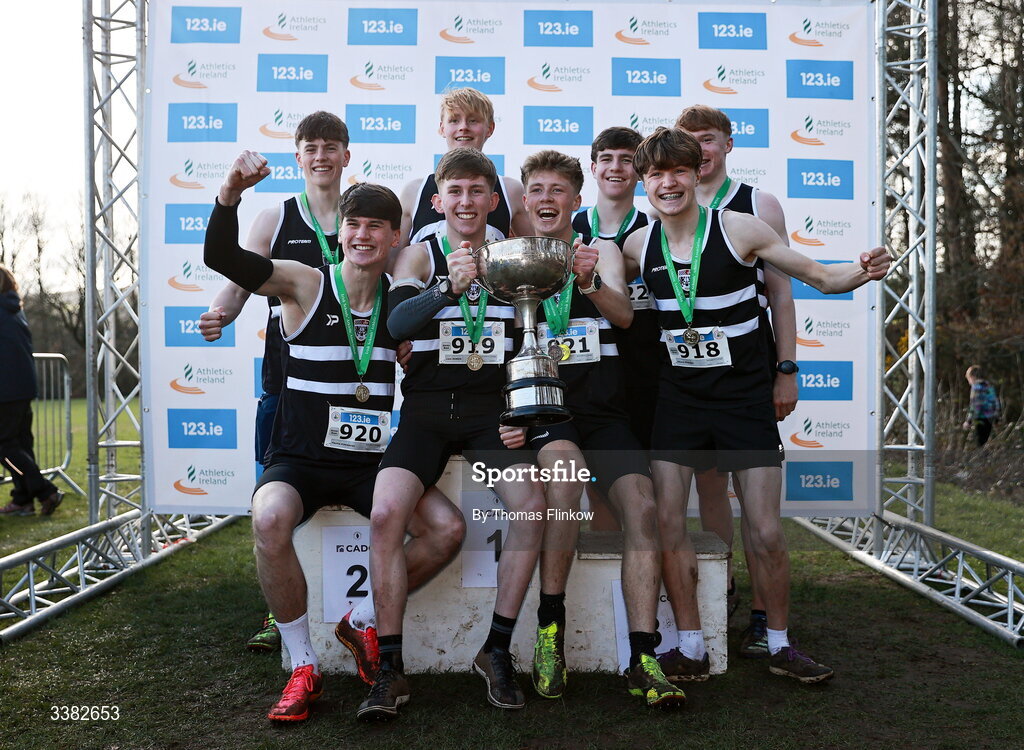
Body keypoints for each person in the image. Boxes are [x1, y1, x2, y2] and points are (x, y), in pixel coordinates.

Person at [623, 127, 890, 684]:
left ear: (698, 173)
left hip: (743, 399)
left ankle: (779, 644)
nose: (668, 183)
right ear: (644, 182)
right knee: (671, 523)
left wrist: (861, 270)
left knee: (765, 530)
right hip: (678, 400)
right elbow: (605, 303)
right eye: (656, 174)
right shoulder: (634, 245)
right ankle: (692, 646)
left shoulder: (739, 227)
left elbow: (820, 276)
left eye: (678, 171)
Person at [203, 163, 465, 723]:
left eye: (377, 226)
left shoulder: (403, 299)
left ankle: (363, 618)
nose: (364, 236)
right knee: (269, 520)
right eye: (355, 225)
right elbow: (226, 261)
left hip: (370, 464)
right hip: (298, 460)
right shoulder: (304, 281)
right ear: (339, 232)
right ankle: (303, 665)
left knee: (447, 530)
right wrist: (228, 196)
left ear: (397, 238)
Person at [362, 147, 544, 718]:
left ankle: (495, 650)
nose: (466, 203)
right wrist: (445, 288)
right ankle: (390, 669)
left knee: (533, 507)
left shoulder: (514, 255)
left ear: (495, 201)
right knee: (387, 512)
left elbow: (526, 344)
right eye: (455, 193)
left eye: (477, 192)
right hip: (427, 413)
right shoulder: (418, 254)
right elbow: (395, 325)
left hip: (491, 411)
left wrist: (521, 416)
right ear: (438, 201)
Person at [522, 150, 686, 707]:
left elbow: (623, 316)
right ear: (526, 200)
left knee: (642, 508)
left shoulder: (604, 250)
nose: (547, 199)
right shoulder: (516, 258)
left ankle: (643, 655)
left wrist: (588, 279)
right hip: (549, 414)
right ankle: (550, 632)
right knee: (565, 485)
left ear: (576, 198)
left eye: (558, 190)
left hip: (607, 414)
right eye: (537, 190)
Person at [199, 111, 350, 653]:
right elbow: (239, 281)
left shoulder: (366, 218)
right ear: (298, 157)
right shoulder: (275, 218)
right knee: (273, 498)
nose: (321, 156)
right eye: (310, 147)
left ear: (346, 157)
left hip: (347, 388)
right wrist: (221, 312)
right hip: (283, 388)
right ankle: (277, 613)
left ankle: (354, 612)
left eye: (331, 146)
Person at [675, 104, 799, 658]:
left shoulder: (758, 204)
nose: (699, 150)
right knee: (706, 490)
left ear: (727, 144)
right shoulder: (665, 207)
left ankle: (763, 620)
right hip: (687, 382)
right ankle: (721, 591)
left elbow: (783, 295)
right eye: (689, 142)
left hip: (747, 378)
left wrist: (786, 370)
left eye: (707, 139)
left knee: (760, 513)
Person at [570, 126, 653, 533]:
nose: (615, 168)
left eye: (626, 159)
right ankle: (608, 589)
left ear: (638, 170)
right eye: (606, 159)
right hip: (588, 371)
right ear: (593, 167)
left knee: (641, 486)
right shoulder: (567, 228)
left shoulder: (653, 228)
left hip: (641, 367)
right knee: (599, 490)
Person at [399, 87, 532, 247]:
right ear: (442, 128)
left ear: (490, 128)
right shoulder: (413, 192)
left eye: (473, 120)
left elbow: (537, 256)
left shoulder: (511, 191)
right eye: (454, 120)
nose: (463, 127)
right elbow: (393, 265)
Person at [0, 265, 63, 517]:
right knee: (20, 445)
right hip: (22, 387)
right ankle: (23, 498)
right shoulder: (13, 309)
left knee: (6, 447)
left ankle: (45, 491)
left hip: (6, 389)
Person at [964, 365, 1000, 446]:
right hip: (989, 419)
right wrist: (996, 418)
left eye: (968, 379)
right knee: (984, 442)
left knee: (977, 444)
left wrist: (968, 421)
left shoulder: (976, 388)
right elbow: (996, 402)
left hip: (979, 419)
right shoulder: (989, 386)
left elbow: (974, 406)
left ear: (972, 377)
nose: (969, 382)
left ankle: (981, 457)